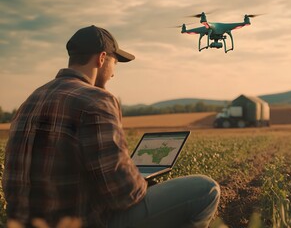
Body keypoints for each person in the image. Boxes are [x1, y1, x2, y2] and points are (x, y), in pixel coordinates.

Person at [2, 25, 220, 228]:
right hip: (83, 222)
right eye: (115, 63)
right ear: (102, 58)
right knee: (205, 189)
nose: (114, 72)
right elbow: (124, 195)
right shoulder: (96, 100)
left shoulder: (31, 100)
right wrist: (140, 180)